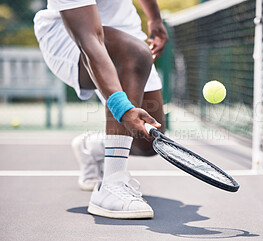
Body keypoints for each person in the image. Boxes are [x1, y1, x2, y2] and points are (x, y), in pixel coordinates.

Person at [33, 0, 168, 219]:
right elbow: (90, 41)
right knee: (135, 53)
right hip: (69, 38)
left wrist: (155, 19)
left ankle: (94, 146)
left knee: (150, 143)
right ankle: (111, 186)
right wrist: (123, 109)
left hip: (127, 30)